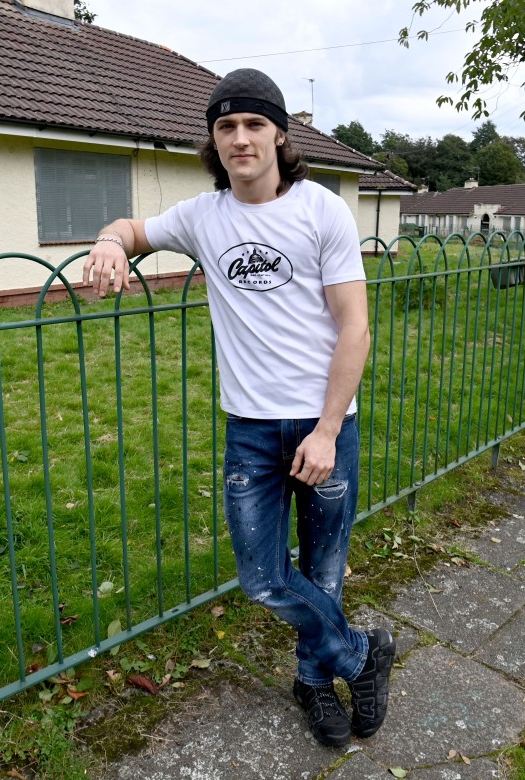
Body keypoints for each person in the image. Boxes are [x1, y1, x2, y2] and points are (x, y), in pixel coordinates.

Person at [82, 68, 394, 747]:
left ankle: (315, 684)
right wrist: (109, 242)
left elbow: (356, 327)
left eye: (254, 124)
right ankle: (363, 655)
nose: (240, 138)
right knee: (261, 577)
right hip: (251, 431)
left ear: (280, 134)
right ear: (214, 141)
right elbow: (132, 227)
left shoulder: (322, 211)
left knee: (324, 570)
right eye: (226, 126)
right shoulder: (203, 216)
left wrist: (328, 429)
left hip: (323, 425)